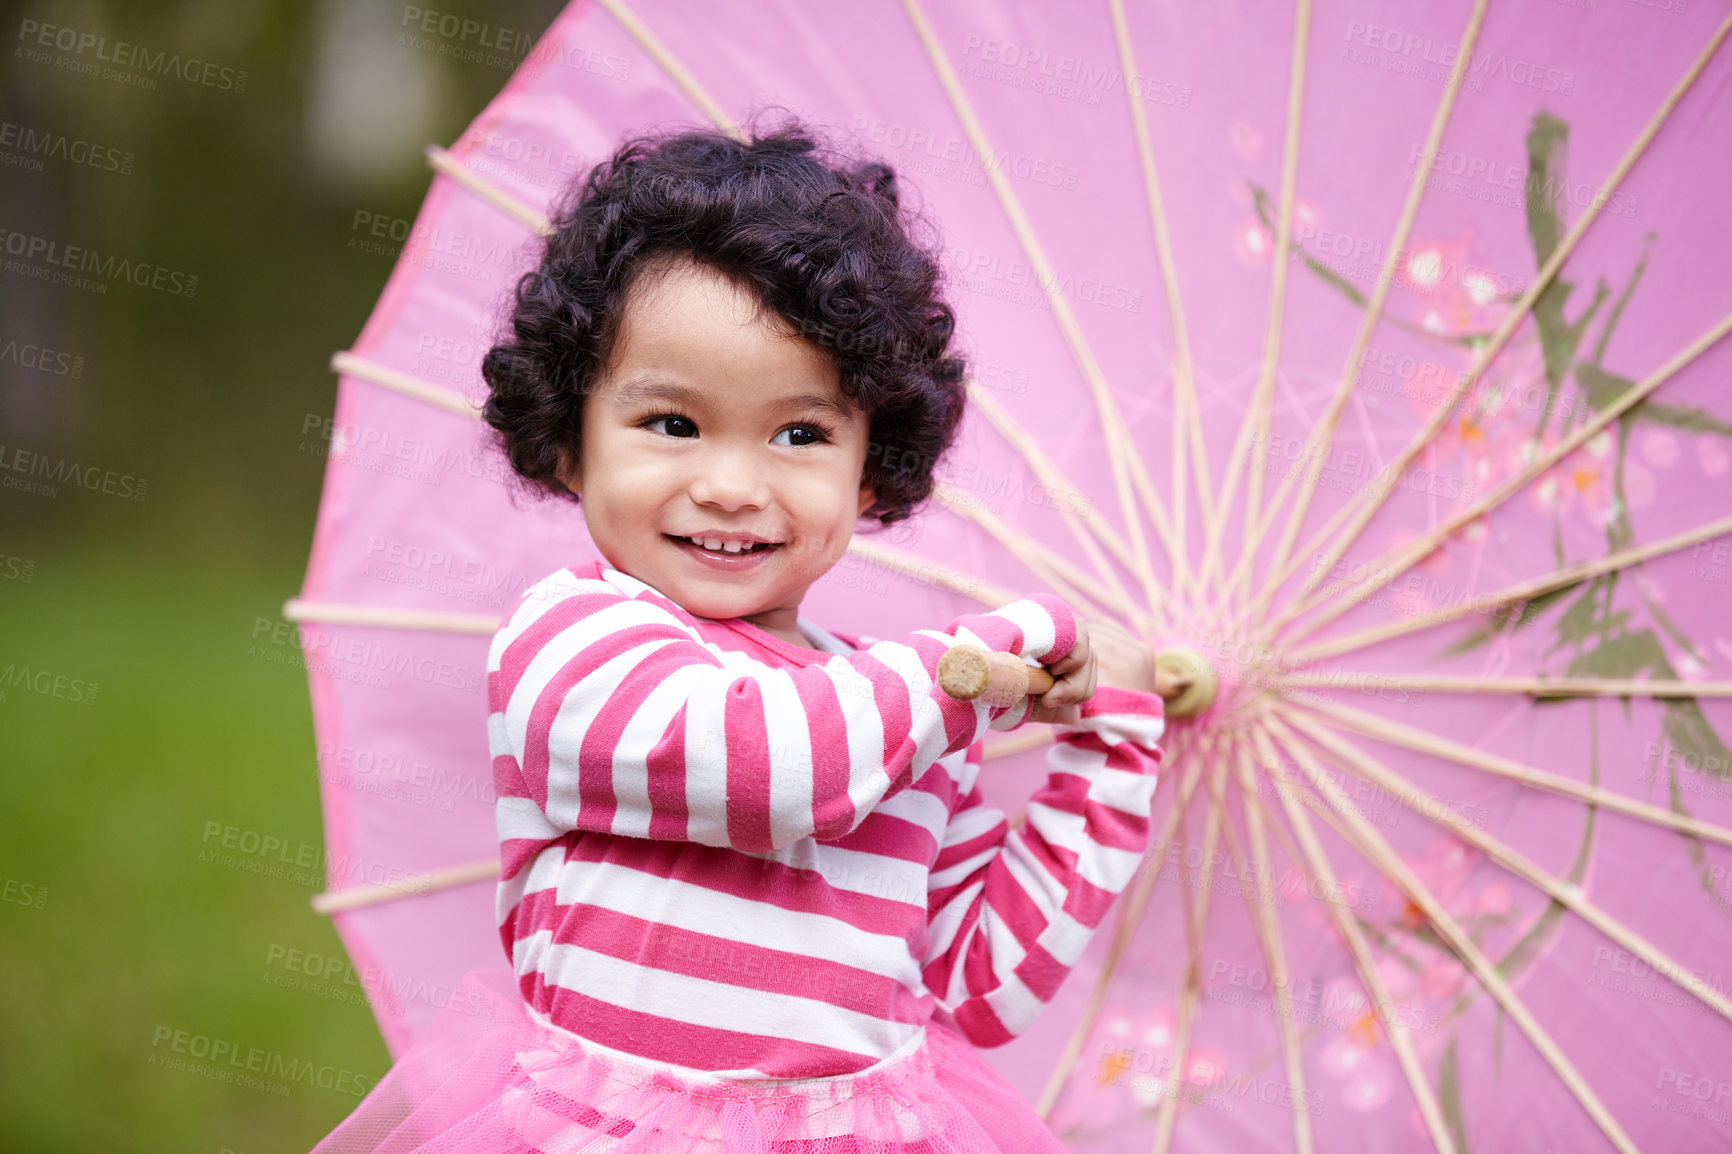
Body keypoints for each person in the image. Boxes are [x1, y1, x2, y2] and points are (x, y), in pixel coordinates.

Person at [312, 121, 1165, 1154]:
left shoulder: (895, 708)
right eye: (671, 422)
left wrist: (1113, 739)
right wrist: (1021, 635)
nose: (728, 483)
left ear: (869, 467)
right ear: (570, 439)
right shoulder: (575, 642)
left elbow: (983, 982)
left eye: (800, 434)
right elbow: (771, 771)